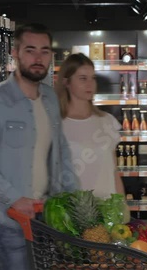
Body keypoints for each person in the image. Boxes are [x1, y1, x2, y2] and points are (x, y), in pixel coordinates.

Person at [0, 23, 79, 270]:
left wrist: (73, 196)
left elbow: (60, 151)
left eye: (45, 51)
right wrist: (14, 198)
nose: (38, 58)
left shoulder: (50, 99)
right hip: (4, 215)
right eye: (30, 50)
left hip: (43, 213)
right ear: (15, 53)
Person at [54, 53, 125, 198]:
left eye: (93, 78)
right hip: (73, 212)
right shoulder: (55, 124)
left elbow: (113, 171)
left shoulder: (107, 121)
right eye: (82, 79)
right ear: (66, 82)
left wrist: (122, 207)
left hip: (107, 211)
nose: (90, 84)